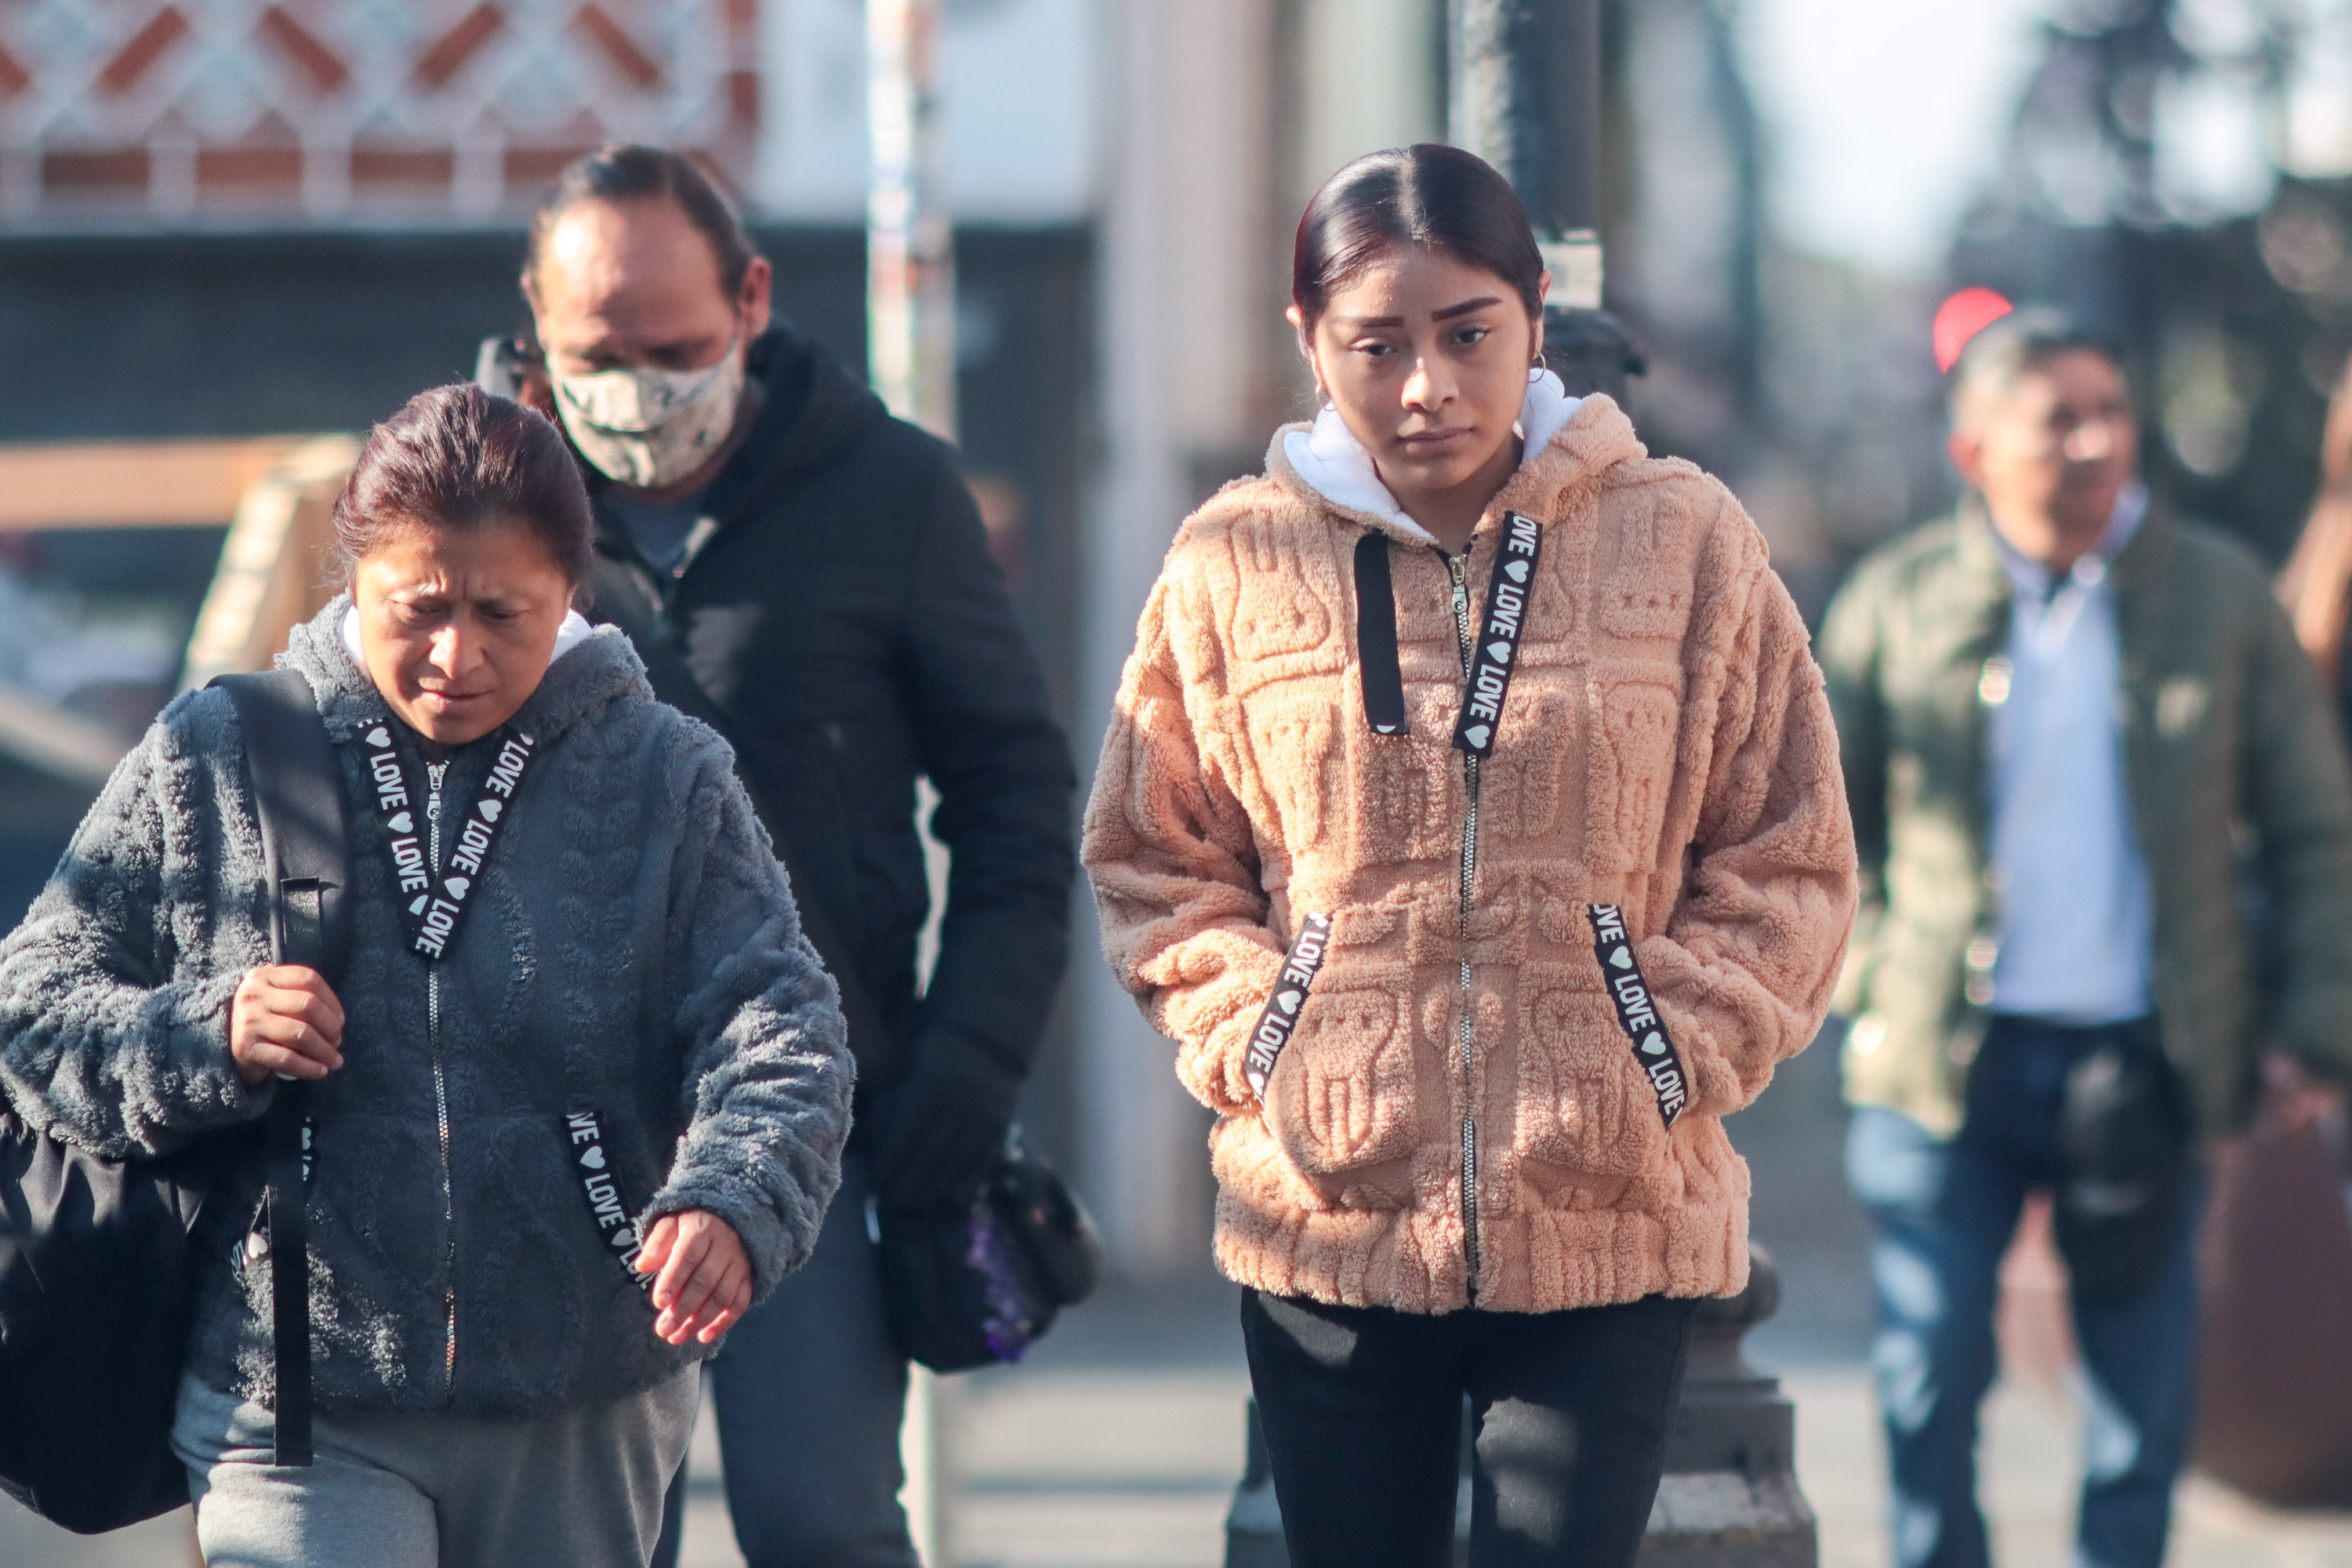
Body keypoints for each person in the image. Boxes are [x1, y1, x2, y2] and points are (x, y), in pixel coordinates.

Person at [1082, 143, 1858, 1568]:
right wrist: (1268, 1047)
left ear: (1537, 319)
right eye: (1377, 346)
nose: (1426, 385)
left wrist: (1666, 1051)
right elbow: (1154, 858)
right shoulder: (1229, 560)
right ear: (1309, 340)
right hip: (1328, 1206)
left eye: (1466, 335)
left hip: (1606, 1201)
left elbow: (1789, 853)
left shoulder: (1683, 539)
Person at [0, 383, 853, 1567]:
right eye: (420, 608)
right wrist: (209, 1032)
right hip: (292, 1401)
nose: (457, 655)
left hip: (583, 1398)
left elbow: (782, 1020)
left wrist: (733, 1195)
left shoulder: (667, 773)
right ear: (355, 582)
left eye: (503, 612)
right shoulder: (218, 749)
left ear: (572, 592)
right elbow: (32, 1005)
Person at [475, 144, 1076, 1568]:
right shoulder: (473, 496)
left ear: (751, 299)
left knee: (823, 1525)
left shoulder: (891, 493)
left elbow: (1014, 793)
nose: (634, 392)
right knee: (577, 1541)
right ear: (532, 324)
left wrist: (971, 1059)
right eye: (594, 356)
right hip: (534, 1136)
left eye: (674, 349)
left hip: (807, 1121)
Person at [1819, 307, 2352, 1568]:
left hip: (2147, 1057)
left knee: (2135, 1414)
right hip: (1943, 1063)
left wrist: (2315, 1027)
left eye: (2112, 410)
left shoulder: (2217, 601)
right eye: (2059, 416)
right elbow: (1816, 832)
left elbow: (2313, 832)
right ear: (1975, 451)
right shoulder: (1896, 603)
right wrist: (1867, 978)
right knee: (1927, 1380)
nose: (2098, 439)